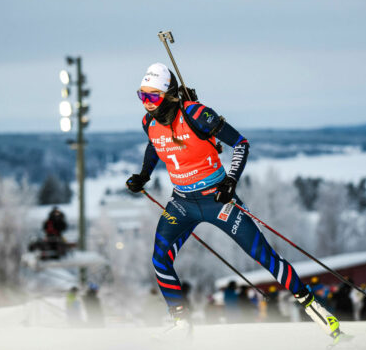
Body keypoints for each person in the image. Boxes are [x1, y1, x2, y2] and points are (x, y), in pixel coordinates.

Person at [126, 63, 344, 343]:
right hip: (182, 203)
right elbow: (156, 145)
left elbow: (241, 144)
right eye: (141, 96)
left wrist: (230, 182)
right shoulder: (149, 123)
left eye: (152, 97)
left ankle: (316, 310)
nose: (146, 104)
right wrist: (144, 175)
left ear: (168, 94)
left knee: (264, 256)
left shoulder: (195, 113)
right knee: (160, 260)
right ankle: (181, 323)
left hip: (218, 198)